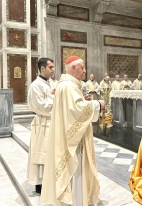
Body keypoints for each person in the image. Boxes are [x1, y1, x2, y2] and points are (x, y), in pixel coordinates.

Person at [40, 56, 105, 206]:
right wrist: (97, 104)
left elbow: (74, 107)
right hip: (74, 142)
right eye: (82, 67)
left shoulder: (66, 84)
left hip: (67, 133)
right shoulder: (68, 86)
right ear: (73, 68)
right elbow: (77, 110)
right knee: (75, 171)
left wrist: (85, 101)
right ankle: (76, 201)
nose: (85, 70)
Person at [27, 57, 55, 194]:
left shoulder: (52, 83)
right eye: (50, 67)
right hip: (42, 123)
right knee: (41, 155)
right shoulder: (35, 85)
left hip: (53, 122)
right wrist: (56, 98)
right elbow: (41, 106)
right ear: (42, 68)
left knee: (51, 155)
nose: (53, 70)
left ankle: (50, 181)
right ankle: (40, 184)